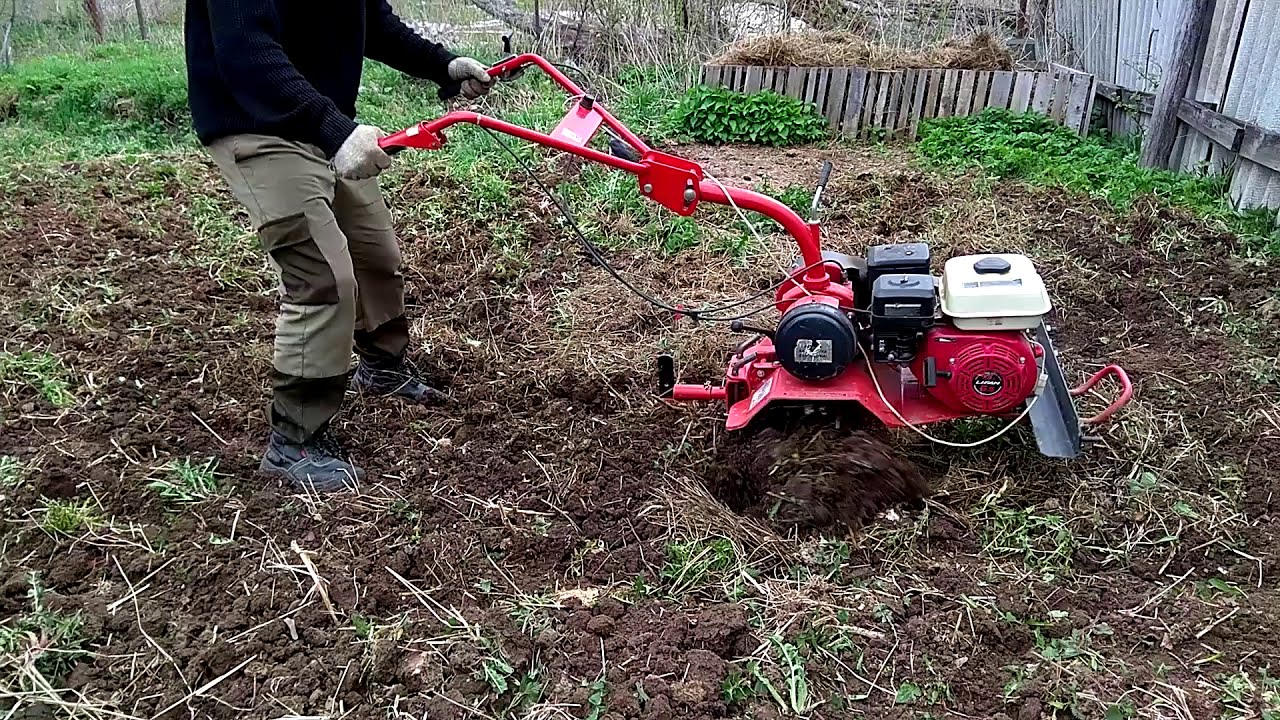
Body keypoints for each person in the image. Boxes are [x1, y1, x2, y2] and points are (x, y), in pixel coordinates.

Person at [184, 1, 493, 492]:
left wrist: (442, 65)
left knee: (377, 257)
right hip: (257, 126)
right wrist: (334, 129)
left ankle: (382, 367)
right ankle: (294, 441)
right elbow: (246, 52)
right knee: (323, 279)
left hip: (322, 124)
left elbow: (371, 19)